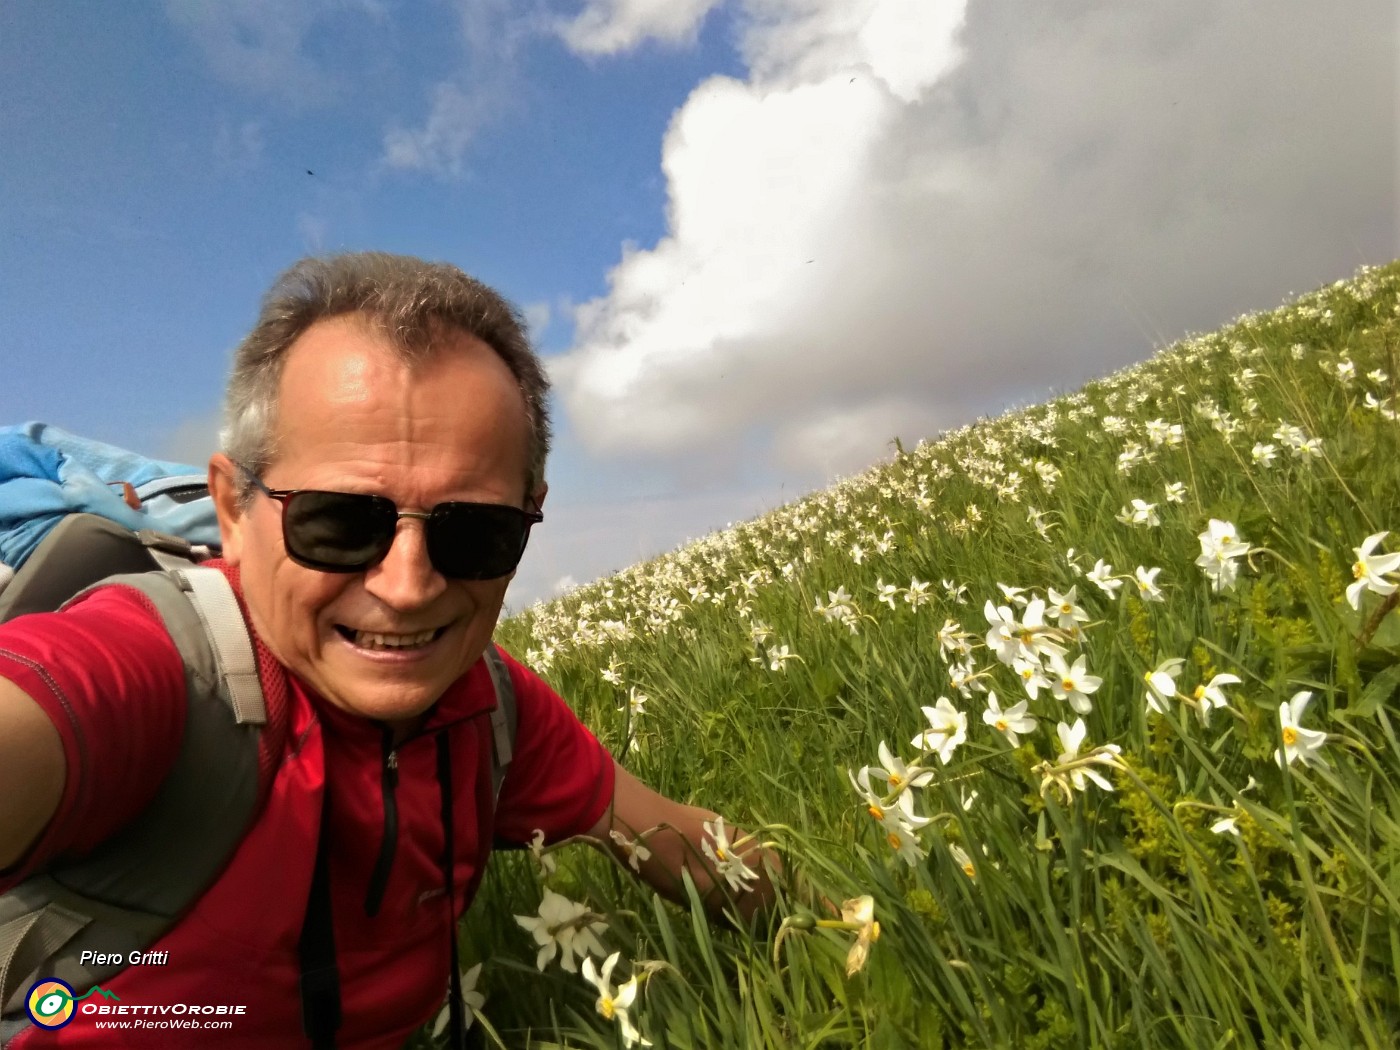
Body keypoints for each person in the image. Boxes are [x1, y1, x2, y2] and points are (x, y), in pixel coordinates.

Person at [0, 252, 777, 1047]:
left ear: (530, 514)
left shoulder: (491, 708)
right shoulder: (152, 669)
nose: (408, 587)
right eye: (339, 523)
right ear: (234, 509)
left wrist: (845, 922)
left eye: (474, 531)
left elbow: (687, 845)